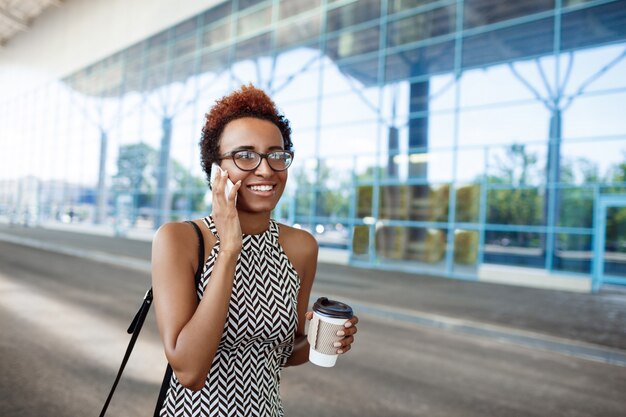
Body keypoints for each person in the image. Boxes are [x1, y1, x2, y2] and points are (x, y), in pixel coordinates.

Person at [151, 85, 359, 416]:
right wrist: (229, 248)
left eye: (276, 154)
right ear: (215, 169)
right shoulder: (180, 239)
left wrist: (324, 339)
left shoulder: (301, 246)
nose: (265, 169)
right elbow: (189, 371)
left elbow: (287, 353)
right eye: (245, 155)